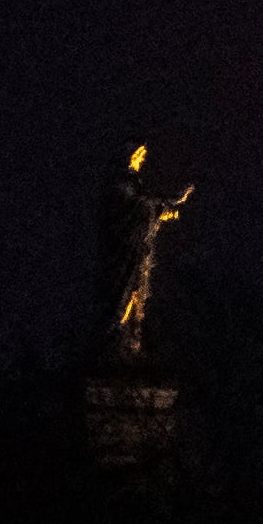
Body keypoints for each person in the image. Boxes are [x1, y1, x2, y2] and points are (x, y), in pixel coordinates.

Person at [99, 144, 191, 365]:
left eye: (142, 155)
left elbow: (146, 206)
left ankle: (132, 341)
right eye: (137, 154)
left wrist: (165, 212)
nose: (141, 159)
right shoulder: (120, 183)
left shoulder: (134, 185)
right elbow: (137, 205)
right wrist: (169, 201)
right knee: (122, 292)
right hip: (125, 251)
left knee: (138, 294)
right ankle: (114, 341)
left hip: (138, 250)